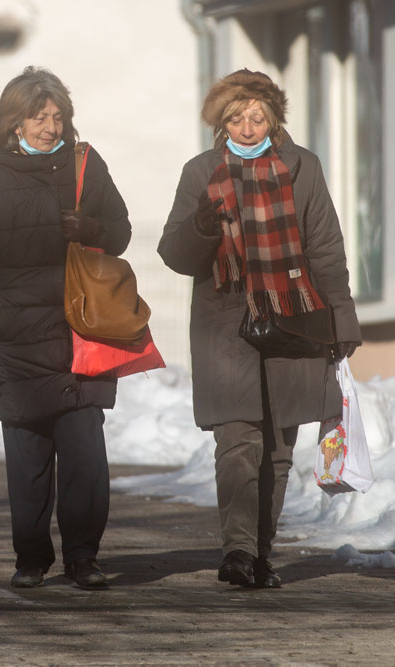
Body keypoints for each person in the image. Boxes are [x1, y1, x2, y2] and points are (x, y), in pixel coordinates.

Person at [158, 70, 361, 588]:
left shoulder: (303, 167)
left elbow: (325, 247)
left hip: (294, 314)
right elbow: (174, 254)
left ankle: (261, 552)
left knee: (278, 448)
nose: (247, 129)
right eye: (235, 118)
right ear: (220, 123)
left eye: (256, 117)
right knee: (236, 439)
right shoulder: (200, 172)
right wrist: (201, 228)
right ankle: (238, 552)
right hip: (224, 320)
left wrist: (341, 319)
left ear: (273, 118)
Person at [0, 66, 131, 590]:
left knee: (85, 454)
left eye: (58, 117)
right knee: (27, 459)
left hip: (80, 330)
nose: (51, 127)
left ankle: (83, 557)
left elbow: (120, 232)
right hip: (14, 337)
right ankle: (30, 558)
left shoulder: (85, 165)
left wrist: (92, 228)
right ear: (14, 122)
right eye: (39, 117)